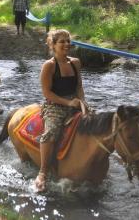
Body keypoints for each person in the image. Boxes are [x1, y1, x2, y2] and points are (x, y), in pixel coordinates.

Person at [34, 29, 86, 192]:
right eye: (62, 41)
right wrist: (68, 103)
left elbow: (79, 86)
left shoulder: (75, 62)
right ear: (53, 45)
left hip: (75, 102)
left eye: (68, 40)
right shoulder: (49, 65)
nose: (66, 44)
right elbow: (47, 93)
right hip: (54, 104)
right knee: (52, 130)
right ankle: (43, 171)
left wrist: (83, 103)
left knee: (95, 122)